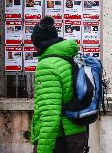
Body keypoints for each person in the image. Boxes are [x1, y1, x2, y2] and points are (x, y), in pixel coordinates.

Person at [30, 16, 88, 153]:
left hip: (60, 139)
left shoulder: (47, 66)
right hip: (78, 133)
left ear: (38, 44)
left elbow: (50, 115)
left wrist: (43, 150)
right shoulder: (71, 57)